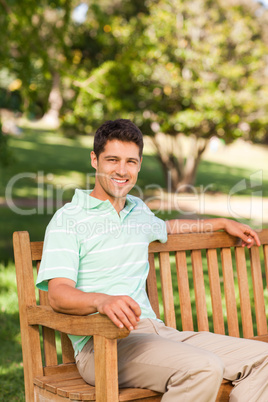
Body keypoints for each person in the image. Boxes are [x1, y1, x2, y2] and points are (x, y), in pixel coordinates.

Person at [36, 119, 268, 402]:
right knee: (203, 368)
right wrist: (101, 301)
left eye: (130, 162)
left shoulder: (137, 211)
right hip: (104, 343)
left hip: (158, 333)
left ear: (139, 164)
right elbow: (58, 295)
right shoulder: (69, 219)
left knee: (264, 359)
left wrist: (220, 222)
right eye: (112, 160)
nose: (122, 170)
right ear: (94, 160)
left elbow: (169, 227)